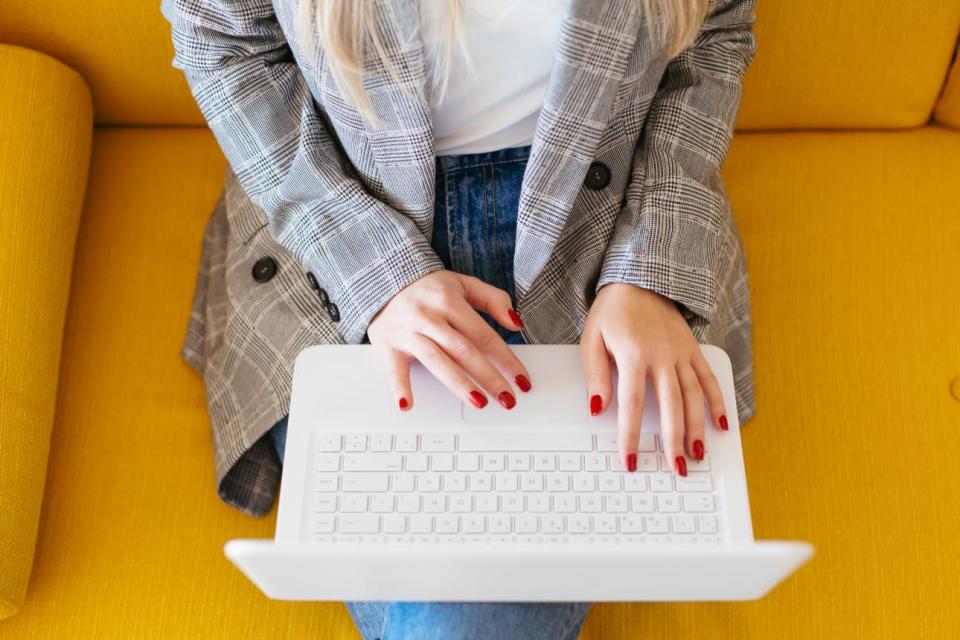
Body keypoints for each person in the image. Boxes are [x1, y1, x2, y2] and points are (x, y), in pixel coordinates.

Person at [162, 0, 756, 637]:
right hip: (339, 213)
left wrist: (648, 271)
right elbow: (223, 43)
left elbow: (714, 27)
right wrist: (374, 267)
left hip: (606, 227)